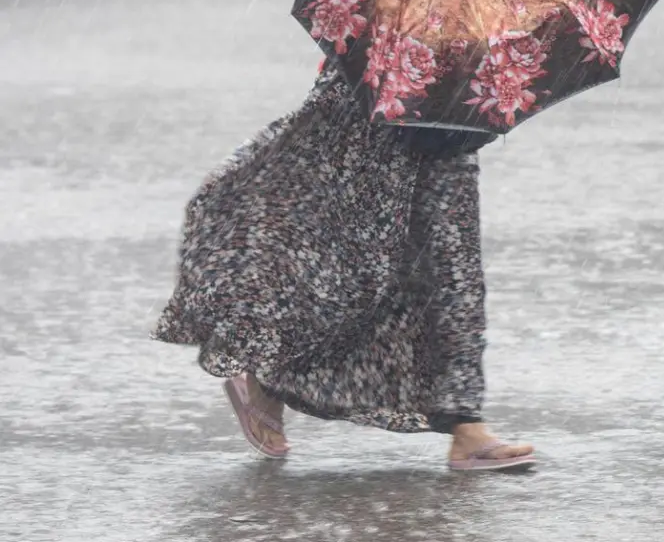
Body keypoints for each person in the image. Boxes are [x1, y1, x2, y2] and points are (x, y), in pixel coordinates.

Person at [154, 63, 536, 471]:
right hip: (373, 93)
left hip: (454, 116)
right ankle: (263, 371)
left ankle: (467, 427)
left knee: (451, 270)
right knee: (343, 270)